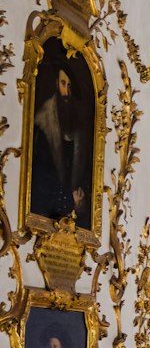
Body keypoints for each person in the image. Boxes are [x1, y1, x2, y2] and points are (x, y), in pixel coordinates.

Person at [32, 58, 91, 227]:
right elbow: (41, 175)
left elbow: (85, 174)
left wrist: (81, 199)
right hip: (45, 214)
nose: (67, 92)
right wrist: (68, 198)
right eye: (64, 84)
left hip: (73, 219)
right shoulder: (44, 123)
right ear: (57, 84)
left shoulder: (78, 127)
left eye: (70, 86)